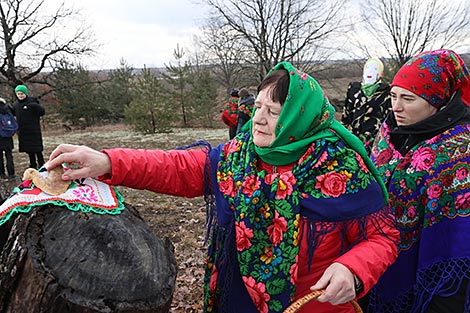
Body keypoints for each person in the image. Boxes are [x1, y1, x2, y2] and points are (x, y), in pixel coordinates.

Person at [45, 62, 399, 313]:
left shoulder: (341, 169)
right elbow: (177, 167)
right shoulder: (239, 154)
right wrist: (109, 162)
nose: (257, 118)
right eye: (258, 106)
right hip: (234, 298)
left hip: (310, 307)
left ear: (300, 117)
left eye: (273, 111)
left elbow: (383, 237)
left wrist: (353, 269)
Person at [368, 49, 470, 313]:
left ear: (438, 101)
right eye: (393, 96)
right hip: (373, 267)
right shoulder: (389, 134)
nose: (396, 107)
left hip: (438, 286)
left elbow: (458, 241)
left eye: (408, 98)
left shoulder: (459, 150)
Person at [341, 57, 391, 154]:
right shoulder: (354, 89)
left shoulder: (386, 92)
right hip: (353, 142)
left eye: (375, 69)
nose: (370, 71)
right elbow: (346, 117)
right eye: (368, 68)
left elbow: (388, 119)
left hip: (375, 144)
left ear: (381, 74)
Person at [13, 84, 45, 169]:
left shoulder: (32, 102)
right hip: (23, 131)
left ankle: (42, 164)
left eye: (22, 94)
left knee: (38, 150)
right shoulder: (16, 104)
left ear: (25, 93)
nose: (20, 95)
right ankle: (33, 165)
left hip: (34, 130)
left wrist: (35, 106)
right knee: (29, 150)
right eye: (18, 94)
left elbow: (42, 112)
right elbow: (13, 113)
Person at [0, 97, 16, 180]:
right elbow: (14, 113)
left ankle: (2, 174)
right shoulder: (7, 109)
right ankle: (11, 173)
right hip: (8, 135)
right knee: (9, 155)